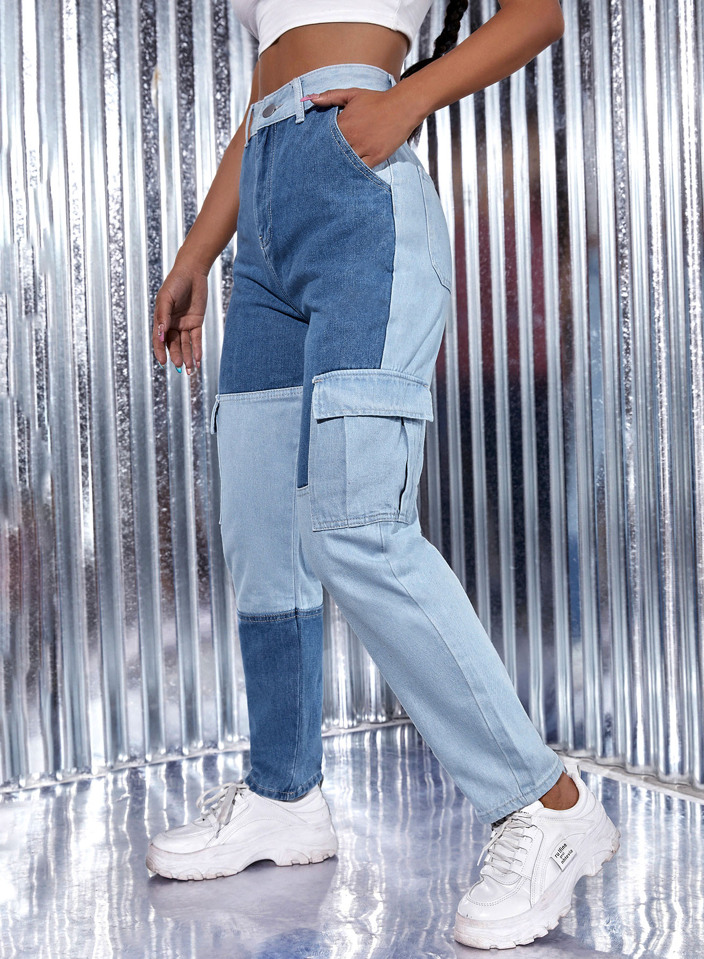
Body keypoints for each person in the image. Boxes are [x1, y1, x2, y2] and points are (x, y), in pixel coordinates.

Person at [146, 0, 621, 949]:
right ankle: (284, 794)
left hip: (360, 209)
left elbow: (538, 15)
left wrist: (407, 102)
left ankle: (547, 801)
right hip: (266, 233)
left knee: (357, 524)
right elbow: (269, 100)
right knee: (262, 532)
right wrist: (199, 251)